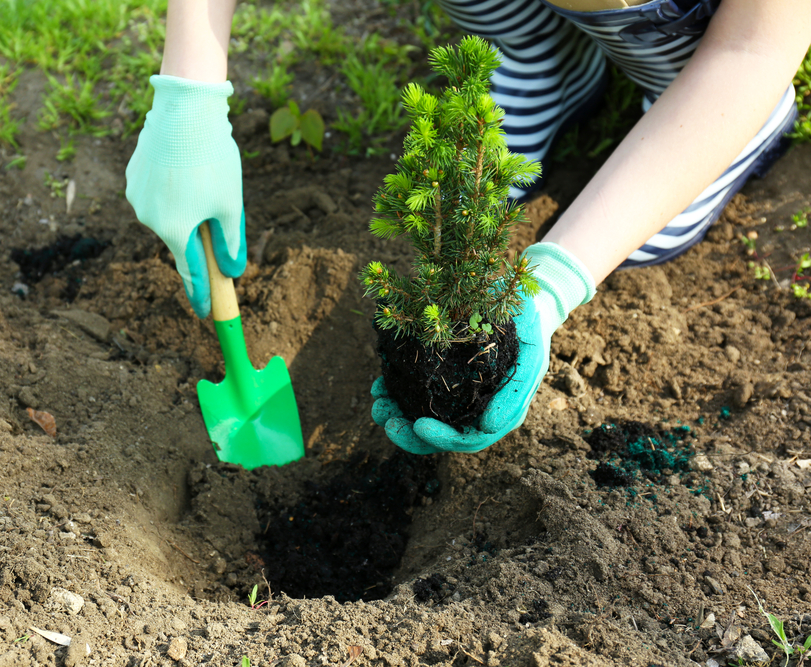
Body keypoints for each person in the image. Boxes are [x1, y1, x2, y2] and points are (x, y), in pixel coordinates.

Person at [125, 0, 811, 455]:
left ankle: (685, 91)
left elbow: (754, 46)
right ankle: (539, 48)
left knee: (682, 130)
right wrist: (189, 87)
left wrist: (552, 284)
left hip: (721, 44)